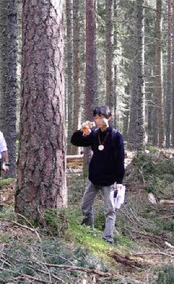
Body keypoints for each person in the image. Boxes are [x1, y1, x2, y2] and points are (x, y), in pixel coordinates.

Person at [70, 105, 125, 244]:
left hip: (109, 180)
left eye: (101, 117)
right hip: (93, 177)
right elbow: (75, 141)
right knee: (85, 206)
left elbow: (120, 159)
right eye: (96, 118)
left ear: (109, 117)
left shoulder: (116, 136)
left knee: (109, 210)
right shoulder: (94, 134)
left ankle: (108, 238)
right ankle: (88, 232)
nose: (98, 120)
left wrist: (119, 181)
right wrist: (81, 130)